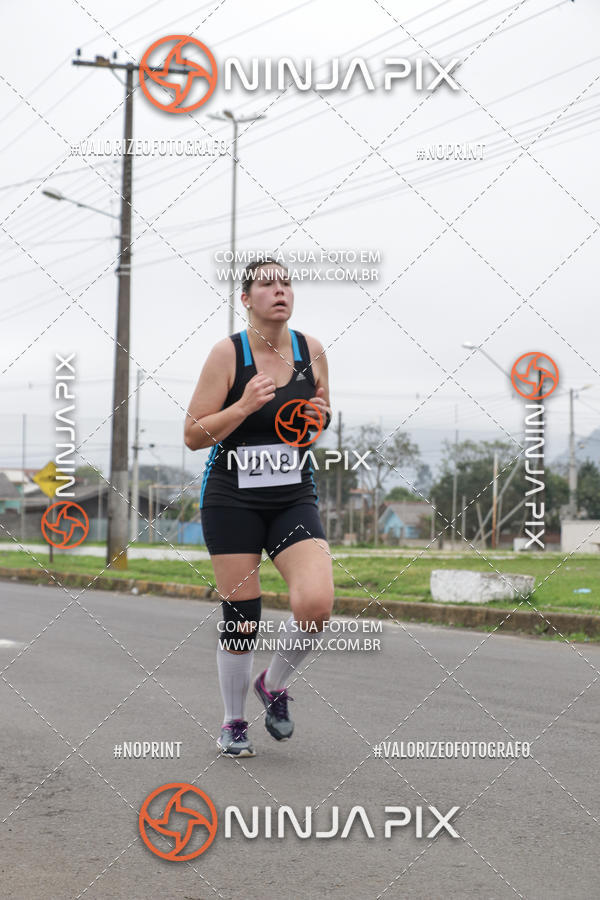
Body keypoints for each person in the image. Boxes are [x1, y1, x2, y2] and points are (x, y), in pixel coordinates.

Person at [184, 257, 335, 757]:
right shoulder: (227, 355)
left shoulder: (310, 350)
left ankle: (272, 684)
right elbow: (192, 435)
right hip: (232, 497)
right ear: (245, 299)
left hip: (292, 494)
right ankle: (233, 723)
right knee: (243, 615)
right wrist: (244, 405)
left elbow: (321, 410)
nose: (280, 291)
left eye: (286, 282)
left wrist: (320, 416)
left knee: (315, 606)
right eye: (267, 285)